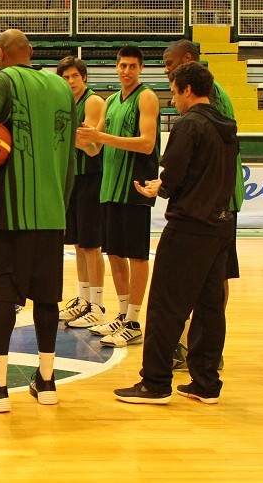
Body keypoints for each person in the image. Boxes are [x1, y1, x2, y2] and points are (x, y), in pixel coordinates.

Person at [0, 29, 75, 413]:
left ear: (0, 54)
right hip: (52, 213)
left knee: (3, 295)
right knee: (47, 298)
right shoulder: (62, 87)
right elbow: (71, 159)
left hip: (9, 212)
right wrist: (60, 205)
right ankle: (47, 381)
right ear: (31, 51)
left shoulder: (2, 80)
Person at [114, 61, 238, 405]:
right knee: (210, 307)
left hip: (189, 227)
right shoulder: (227, 125)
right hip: (221, 225)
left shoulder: (188, 124)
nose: (173, 100)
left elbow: (175, 172)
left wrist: (161, 186)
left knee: (165, 306)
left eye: (174, 92)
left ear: (187, 89)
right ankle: (206, 383)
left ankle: (155, 383)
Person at [162, 39, 241, 371]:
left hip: (217, 199)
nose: (166, 71)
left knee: (213, 276)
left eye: (170, 64)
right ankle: (200, 347)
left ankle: (203, 346)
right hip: (216, 197)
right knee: (211, 276)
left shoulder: (209, 99)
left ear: (188, 61)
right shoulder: (209, 94)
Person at [76, 45, 162, 348]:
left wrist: (100, 136)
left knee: (137, 255)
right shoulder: (111, 101)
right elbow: (94, 148)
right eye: (123, 66)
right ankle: (123, 313)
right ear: (116, 67)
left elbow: (147, 143)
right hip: (109, 187)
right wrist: (77, 137)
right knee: (113, 253)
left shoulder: (147, 97)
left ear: (141, 69)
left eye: (132, 66)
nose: (126, 71)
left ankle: (135, 321)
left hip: (135, 186)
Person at [56, 57, 109, 328]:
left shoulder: (93, 101)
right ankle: (83, 299)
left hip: (91, 177)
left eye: (75, 76)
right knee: (78, 244)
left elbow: (91, 147)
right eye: (66, 78)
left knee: (91, 245)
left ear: (84, 77)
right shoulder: (66, 103)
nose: (71, 81)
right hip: (72, 178)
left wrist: (64, 134)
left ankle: (97, 305)